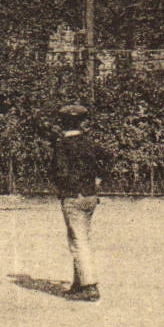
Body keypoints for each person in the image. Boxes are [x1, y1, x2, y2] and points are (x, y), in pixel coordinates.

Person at [51, 102, 104, 302]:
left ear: (62, 123)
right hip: (90, 196)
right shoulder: (89, 143)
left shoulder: (62, 145)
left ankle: (89, 286)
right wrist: (98, 179)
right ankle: (78, 283)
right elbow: (108, 158)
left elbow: (60, 172)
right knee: (80, 237)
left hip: (73, 197)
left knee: (78, 241)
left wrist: (67, 188)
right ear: (81, 122)